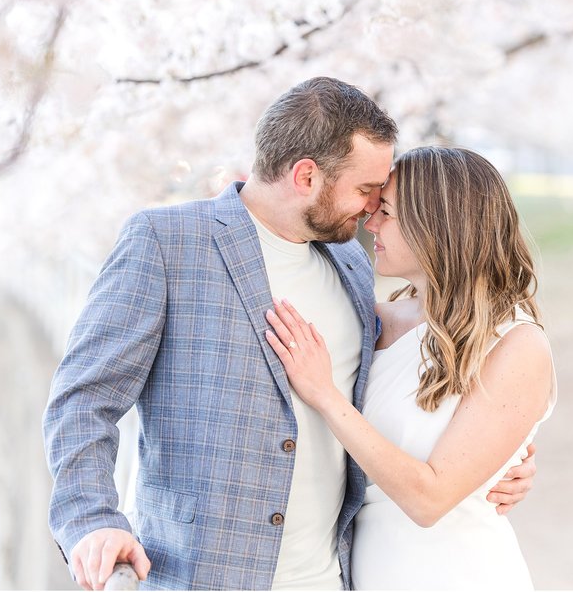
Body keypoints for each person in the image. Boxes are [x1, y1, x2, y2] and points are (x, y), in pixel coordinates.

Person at [44, 78, 537, 591]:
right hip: (201, 577)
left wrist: (500, 457)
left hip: (336, 578)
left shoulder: (351, 262)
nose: (372, 209)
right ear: (306, 175)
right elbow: (84, 398)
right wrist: (92, 519)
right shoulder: (167, 244)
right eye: (366, 189)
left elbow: (415, 395)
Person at [264, 146, 556, 590]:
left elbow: (429, 499)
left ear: (437, 227)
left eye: (388, 212)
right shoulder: (370, 320)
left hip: (460, 573)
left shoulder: (516, 343)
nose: (371, 222)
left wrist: (324, 394)